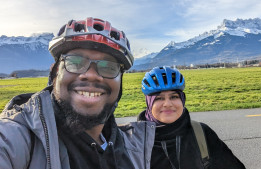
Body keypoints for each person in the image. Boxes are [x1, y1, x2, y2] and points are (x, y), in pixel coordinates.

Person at [0, 17, 155, 169]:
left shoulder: (131, 146)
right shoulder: (17, 139)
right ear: (55, 73)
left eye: (109, 66)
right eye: (75, 62)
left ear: (120, 81)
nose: (92, 75)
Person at [138, 66, 246, 169]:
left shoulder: (201, 133)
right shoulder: (133, 140)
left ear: (182, 99)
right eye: (159, 98)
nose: (167, 103)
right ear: (149, 103)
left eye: (174, 97)